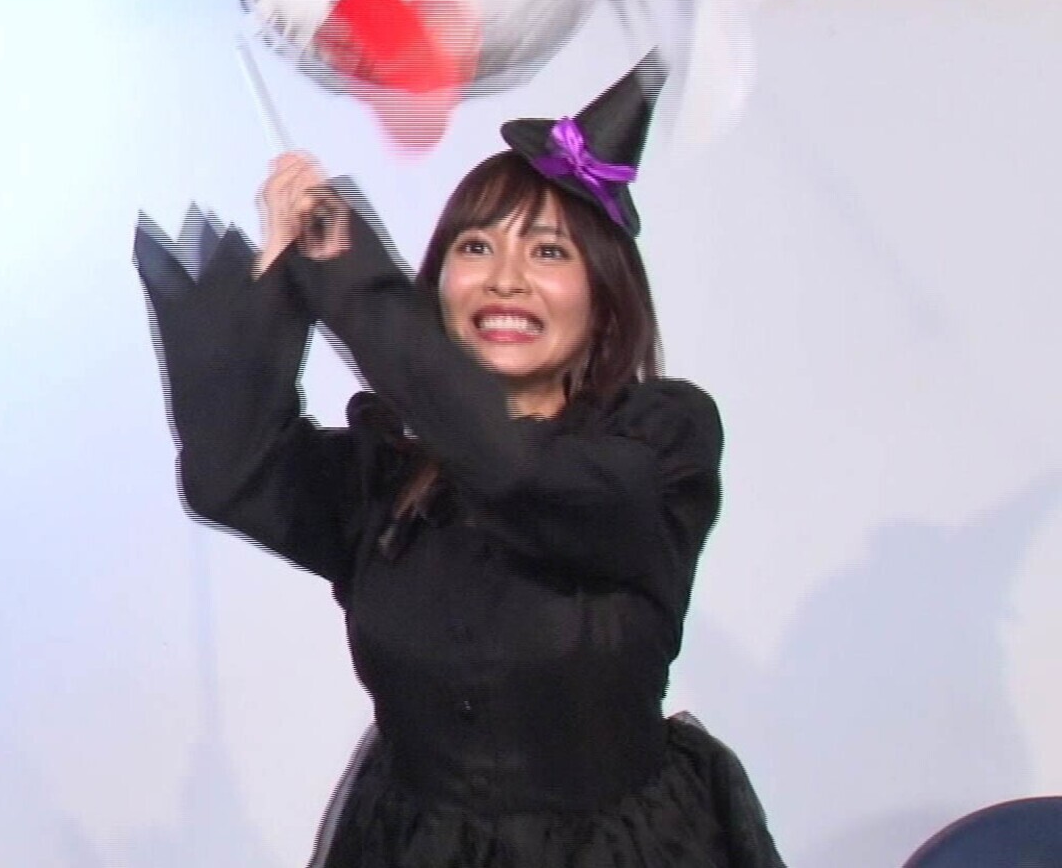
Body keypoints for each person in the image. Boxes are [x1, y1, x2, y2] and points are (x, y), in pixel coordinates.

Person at [134, 58, 784, 866]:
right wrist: (282, 276)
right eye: (477, 246)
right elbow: (233, 474)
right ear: (439, 283)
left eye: (549, 252)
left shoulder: (657, 447)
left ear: (603, 295)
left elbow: (517, 471)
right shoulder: (390, 478)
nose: (506, 279)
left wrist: (351, 278)